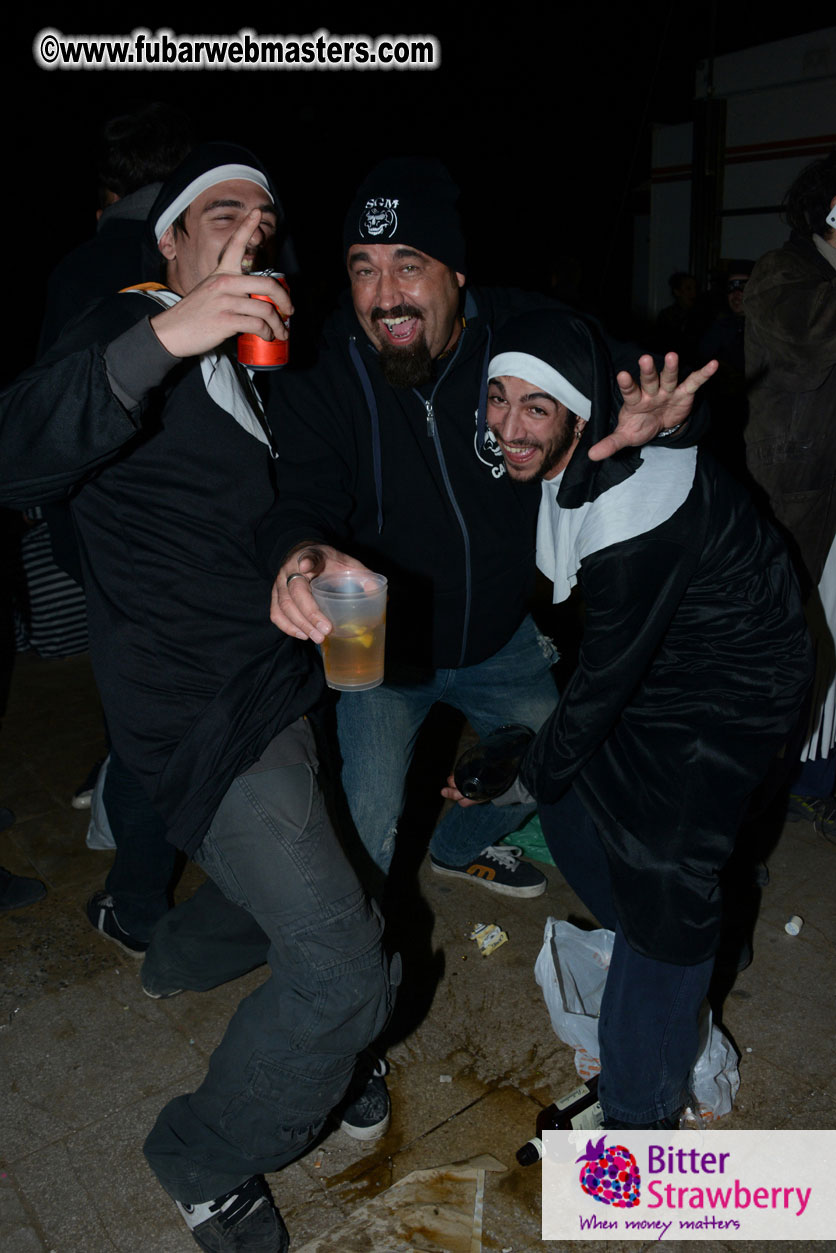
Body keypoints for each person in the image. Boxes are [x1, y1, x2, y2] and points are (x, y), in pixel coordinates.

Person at [0, 143, 391, 1253]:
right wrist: (168, 332)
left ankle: (242, 997)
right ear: (168, 239)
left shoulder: (260, 360)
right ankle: (204, 1154)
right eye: (223, 211)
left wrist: (300, 552)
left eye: (265, 217)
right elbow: (15, 452)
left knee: (335, 903)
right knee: (345, 967)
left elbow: (275, 504)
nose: (251, 230)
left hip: (282, 677)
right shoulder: (125, 329)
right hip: (201, 711)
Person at [269, 157, 707, 904]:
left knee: (558, 761)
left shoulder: (520, 330)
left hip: (502, 636)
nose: (384, 295)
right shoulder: (323, 362)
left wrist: (665, 419)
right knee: (363, 842)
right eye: (364, 268)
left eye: (409, 265)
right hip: (381, 650)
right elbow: (299, 496)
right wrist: (298, 552)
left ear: (457, 272)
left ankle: (456, 847)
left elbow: (642, 385)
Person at [443, 307, 811, 1128]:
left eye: (535, 406)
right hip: (664, 656)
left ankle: (639, 1115)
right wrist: (539, 771)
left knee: (664, 870)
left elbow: (603, 682)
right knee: (577, 807)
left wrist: (522, 775)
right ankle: (691, 953)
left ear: (579, 413)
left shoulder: (631, 517)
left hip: (738, 684)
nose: (508, 425)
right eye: (498, 398)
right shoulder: (586, 456)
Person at [745, 148, 836, 841]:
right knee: (771, 656)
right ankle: (743, 810)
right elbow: (807, 350)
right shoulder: (785, 272)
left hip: (823, 499)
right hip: (789, 500)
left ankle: (812, 778)